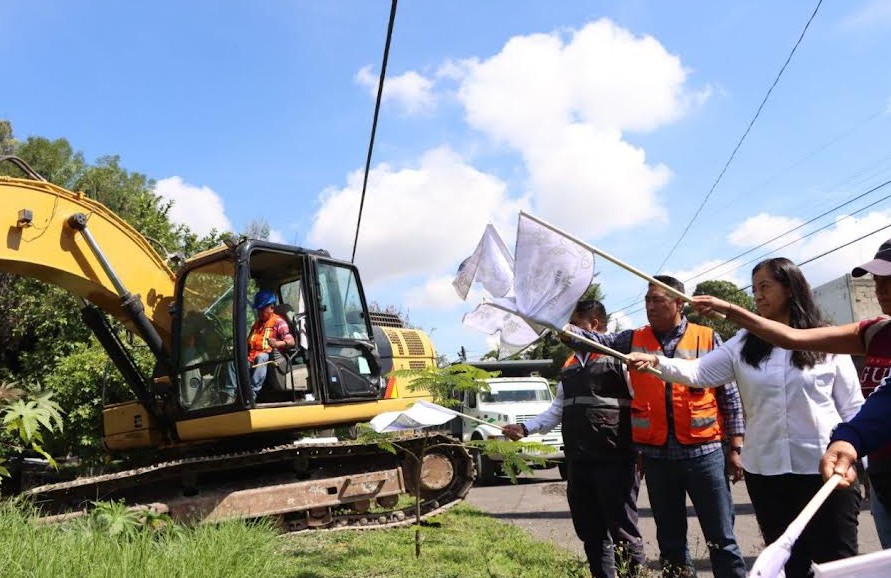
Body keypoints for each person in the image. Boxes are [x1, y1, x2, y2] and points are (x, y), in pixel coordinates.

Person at [628, 258, 864, 578]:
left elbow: (852, 407)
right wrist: (655, 362)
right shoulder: (743, 342)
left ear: (791, 288)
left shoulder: (827, 338)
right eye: (754, 290)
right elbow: (699, 372)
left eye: (765, 287)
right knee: (788, 564)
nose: (758, 296)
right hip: (766, 473)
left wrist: (859, 460)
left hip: (824, 471)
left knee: (836, 561)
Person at [688, 240, 891, 547]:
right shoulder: (875, 332)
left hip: (830, 466)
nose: (881, 289)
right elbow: (791, 338)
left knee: (837, 557)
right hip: (879, 473)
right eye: (877, 280)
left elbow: (858, 405)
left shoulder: (847, 340)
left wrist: (851, 442)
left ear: (791, 288)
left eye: (890, 280)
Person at [568, 275, 747, 578]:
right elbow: (590, 340)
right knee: (671, 542)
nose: (650, 305)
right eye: (647, 300)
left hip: (704, 454)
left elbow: (728, 394)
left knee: (722, 539)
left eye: (658, 299)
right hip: (657, 458)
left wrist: (736, 447)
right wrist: (554, 321)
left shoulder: (706, 337)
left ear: (679, 303)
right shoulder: (631, 339)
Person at [504, 299, 644, 578]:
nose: (564, 334)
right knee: (591, 531)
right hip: (579, 461)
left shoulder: (622, 359)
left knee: (622, 530)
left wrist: (643, 449)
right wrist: (525, 429)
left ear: (594, 326)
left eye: (574, 326)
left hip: (615, 459)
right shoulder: (569, 365)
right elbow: (557, 410)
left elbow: (642, 404)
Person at [248, 289, 294, 398]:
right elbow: (249, 341)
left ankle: (252, 392)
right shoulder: (256, 324)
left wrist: (277, 344)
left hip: (271, 357)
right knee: (233, 363)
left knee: (261, 357)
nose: (259, 313)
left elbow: (291, 341)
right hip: (251, 356)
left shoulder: (279, 322)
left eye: (262, 309)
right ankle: (230, 393)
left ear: (271, 308)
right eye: (258, 310)